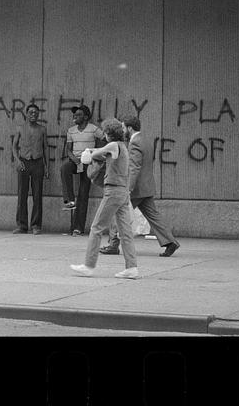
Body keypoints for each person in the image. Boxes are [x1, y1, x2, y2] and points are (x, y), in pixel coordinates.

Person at [100, 115, 180, 258]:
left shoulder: (134, 143)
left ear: (130, 128)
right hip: (147, 186)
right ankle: (170, 241)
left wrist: (128, 189)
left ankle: (113, 245)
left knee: (116, 212)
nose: (122, 130)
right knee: (154, 216)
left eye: (123, 127)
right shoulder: (146, 140)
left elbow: (134, 168)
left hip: (136, 189)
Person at [70, 118, 139, 279]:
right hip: (122, 193)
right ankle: (131, 267)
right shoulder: (123, 147)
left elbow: (98, 152)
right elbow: (102, 151)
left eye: (105, 132)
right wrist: (93, 150)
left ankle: (88, 265)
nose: (105, 135)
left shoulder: (113, 145)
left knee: (96, 228)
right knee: (125, 232)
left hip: (113, 192)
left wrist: (89, 152)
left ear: (109, 133)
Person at [61, 105, 104, 236]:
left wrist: (96, 156)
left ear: (86, 117)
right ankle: (69, 200)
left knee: (83, 194)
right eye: (74, 115)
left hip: (89, 163)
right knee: (64, 168)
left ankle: (78, 228)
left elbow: (105, 139)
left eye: (78, 114)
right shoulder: (71, 131)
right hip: (76, 161)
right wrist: (77, 161)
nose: (75, 117)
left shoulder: (93, 129)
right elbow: (68, 150)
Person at [13, 103, 49, 234]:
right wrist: (17, 161)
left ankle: (36, 225)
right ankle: (22, 225)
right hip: (23, 162)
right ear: (26, 114)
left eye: (36, 112)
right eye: (31, 112)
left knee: (37, 195)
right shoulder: (20, 128)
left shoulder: (42, 129)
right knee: (22, 195)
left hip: (38, 163)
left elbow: (45, 148)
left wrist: (46, 166)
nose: (33, 114)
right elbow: (14, 147)